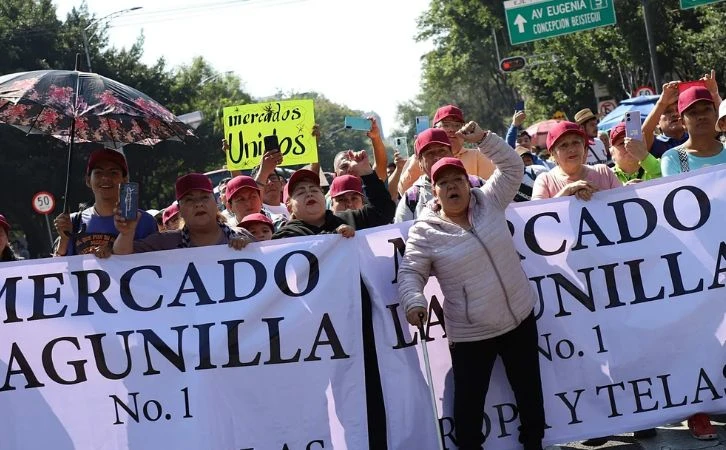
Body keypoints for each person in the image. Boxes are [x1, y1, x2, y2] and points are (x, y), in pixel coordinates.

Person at [398, 121, 545, 450]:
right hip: (471, 335)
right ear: (433, 192)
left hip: (519, 319)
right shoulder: (425, 231)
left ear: (468, 182)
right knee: (468, 411)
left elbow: (512, 165)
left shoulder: (490, 200)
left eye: (457, 179)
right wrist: (413, 301)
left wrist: (483, 139)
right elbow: (410, 272)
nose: (452, 187)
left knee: (530, 397)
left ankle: (534, 444)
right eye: (443, 183)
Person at [113, 173, 253, 254]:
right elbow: (122, 258)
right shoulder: (164, 243)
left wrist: (251, 248)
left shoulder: (240, 235)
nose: (198, 204)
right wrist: (126, 233)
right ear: (180, 210)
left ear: (216, 203)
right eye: (189, 200)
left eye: (204, 197)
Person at [53, 148, 157, 257]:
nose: (106, 177)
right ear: (88, 180)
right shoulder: (73, 222)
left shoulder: (144, 221)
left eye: (113, 172)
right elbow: (59, 267)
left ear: (125, 180)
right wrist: (64, 239)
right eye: (98, 172)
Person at [272, 150, 395, 238]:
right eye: (301, 192)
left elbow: (384, 211)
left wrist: (366, 172)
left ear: (324, 197)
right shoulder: (285, 236)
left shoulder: (349, 219)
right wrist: (335, 237)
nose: (309, 194)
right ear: (289, 206)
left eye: (314, 190)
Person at [397, 105, 495, 194]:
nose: (452, 129)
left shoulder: (478, 156)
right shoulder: (421, 159)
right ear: (434, 129)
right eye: (446, 125)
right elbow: (403, 192)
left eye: (457, 125)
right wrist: (419, 156)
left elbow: (493, 191)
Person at [394, 128, 485, 223]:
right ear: (420, 163)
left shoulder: (478, 185)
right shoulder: (411, 199)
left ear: (452, 155)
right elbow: (401, 235)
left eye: (442, 151)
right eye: (430, 153)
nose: (437, 157)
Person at [532, 121, 621, 200]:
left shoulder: (603, 172)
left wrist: (596, 195)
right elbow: (536, 214)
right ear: (552, 153)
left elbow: (623, 203)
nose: (572, 149)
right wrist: (567, 192)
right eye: (564, 145)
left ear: (584, 147)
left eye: (576, 142)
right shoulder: (545, 181)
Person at [643, 71, 720, 158]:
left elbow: (723, 122)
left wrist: (714, 94)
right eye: (668, 111)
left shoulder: (700, 134)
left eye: (678, 110)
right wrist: (662, 103)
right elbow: (641, 137)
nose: (675, 114)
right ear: (657, 122)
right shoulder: (656, 144)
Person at [661, 85, 726, 178]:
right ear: (683, 122)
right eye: (693, 112)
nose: (701, 116)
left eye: (707, 109)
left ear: (716, 115)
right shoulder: (672, 159)